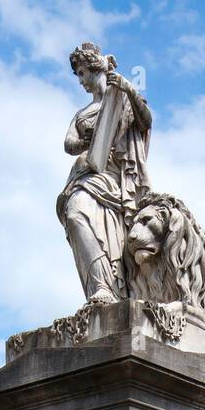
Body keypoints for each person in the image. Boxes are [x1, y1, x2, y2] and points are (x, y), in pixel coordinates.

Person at [57, 42, 152, 305]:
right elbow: (68, 144)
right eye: (78, 75)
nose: (81, 81)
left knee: (118, 239)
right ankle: (100, 286)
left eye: (82, 73)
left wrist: (128, 88)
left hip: (117, 178)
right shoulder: (82, 113)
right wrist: (89, 140)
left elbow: (146, 120)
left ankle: (116, 291)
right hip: (87, 175)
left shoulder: (121, 96)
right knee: (75, 213)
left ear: (95, 67)